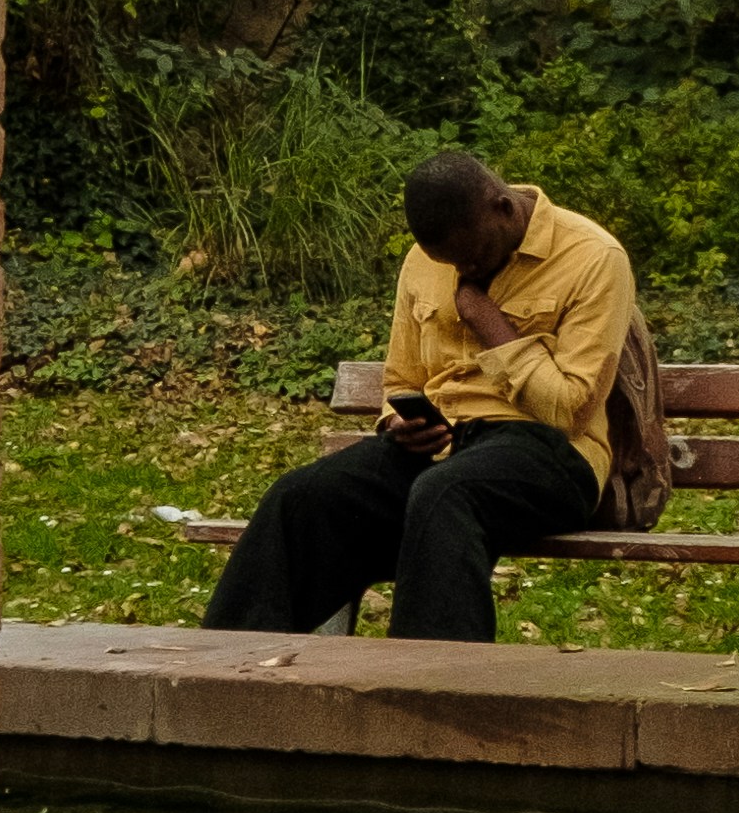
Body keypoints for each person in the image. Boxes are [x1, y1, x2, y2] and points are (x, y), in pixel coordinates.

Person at [206, 153, 634, 640]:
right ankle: (228, 671)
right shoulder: (421, 261)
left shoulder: (594, 257)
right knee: (302, 497)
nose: (461, 268)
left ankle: (430, 687)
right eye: (448, 262)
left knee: (445, 493)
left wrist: (489, 322)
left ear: (503, 208)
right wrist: (397, 421)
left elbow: (573, 409)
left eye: (470, 256)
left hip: (551, 453)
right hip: (446, 446)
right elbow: (402, 378)